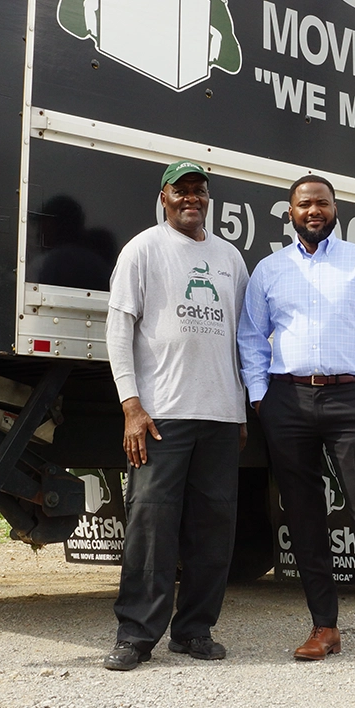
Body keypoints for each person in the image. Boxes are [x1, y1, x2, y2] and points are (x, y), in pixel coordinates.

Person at [238, 174, 355, 668]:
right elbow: (252, 337)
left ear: (335, 208)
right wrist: (260, 398)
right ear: (290, 212)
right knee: (302, 517)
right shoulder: (270, 270)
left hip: (350, 400)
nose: (313, 210)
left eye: (321, 202)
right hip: (286, 402)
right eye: (304, 204)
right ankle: (325, 628)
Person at [102, 160, 249, 671]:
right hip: (161, 414)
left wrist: (243, 408)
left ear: (208, 199)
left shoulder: (229, 258)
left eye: (199, 191)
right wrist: (131, 407)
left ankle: (194, 631)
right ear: (163, 197)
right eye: (181, 190)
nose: (192, 198)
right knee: (151, 524)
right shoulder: (143, 249)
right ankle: (136, 635)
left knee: (214, 528)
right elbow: (119, 331)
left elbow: (242, 338)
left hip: (221, 414)